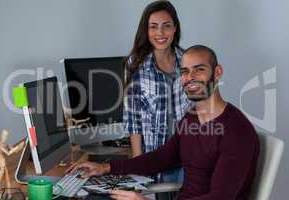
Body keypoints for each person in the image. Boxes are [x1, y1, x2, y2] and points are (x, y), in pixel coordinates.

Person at [67, 45, 260, 200]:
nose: (190, 78)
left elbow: (220, 197)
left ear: (217, 72)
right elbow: (163, 158)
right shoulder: (191, 117)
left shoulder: (237, 130)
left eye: (199, 70)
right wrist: (106, 168)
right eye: (184, 71)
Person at [123, 0, 191, 184]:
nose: (160, 33)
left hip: (187, 158)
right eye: (153, 27)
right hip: (154, 157)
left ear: (175, 28)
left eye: (166, 26)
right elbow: (133, 117)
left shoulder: (187, 61)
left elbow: (199, 109)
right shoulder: (136, 64)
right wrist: (138, 163)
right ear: (146, 30)